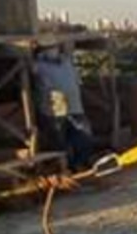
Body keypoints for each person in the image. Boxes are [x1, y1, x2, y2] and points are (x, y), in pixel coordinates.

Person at [33, 40, 93, 170]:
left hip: (75, 108)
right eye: (49, 48)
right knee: (60, 144)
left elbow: (69, 47)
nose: (53, 50)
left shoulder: (66, 62)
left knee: (85, 138)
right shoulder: (39, 66)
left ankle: (80, 164)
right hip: (54, 111)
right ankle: (67, 168)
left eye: (55, 47)